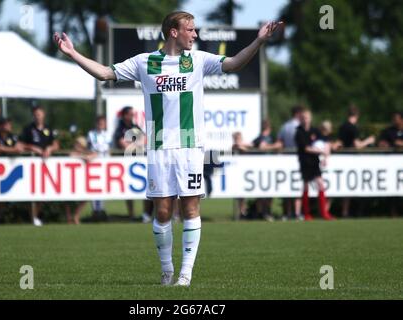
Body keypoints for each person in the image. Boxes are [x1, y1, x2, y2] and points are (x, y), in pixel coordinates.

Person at [54, 11, 283, 286]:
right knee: (162, 211)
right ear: (174, 32)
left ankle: (185, 275)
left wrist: (258, 42)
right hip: (159, 148)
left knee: (190, 208)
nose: (195, 34)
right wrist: (73, 54)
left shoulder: (198, 60)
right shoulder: (144, 62)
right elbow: (105, 73)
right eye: (190, 29)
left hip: (190, 148)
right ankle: (167, 271)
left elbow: (233, 64)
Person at [20, 105, 60, 226]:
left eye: (40, 114)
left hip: (45, 165)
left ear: (43, 115)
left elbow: (56, 144)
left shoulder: (48, 128)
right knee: (31, 192)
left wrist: (49, 148)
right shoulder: (28, 129)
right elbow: (20, 144)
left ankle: (35, 216)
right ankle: (32, 217)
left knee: (42, 193)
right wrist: (32, 147)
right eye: (36, 114)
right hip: (31, 165)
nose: (38, 116)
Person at [295, 109, 334, 221]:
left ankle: (324, 213)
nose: (305, 120)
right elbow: (306, 148)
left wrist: (326, 155)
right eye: (303, 118)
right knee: (306, 185)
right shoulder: (299, 132)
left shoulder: (314, 131)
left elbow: (326, 141)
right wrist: (321, 152)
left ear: (310, 118)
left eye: (307, 118)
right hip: (305, 161)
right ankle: (307, 214)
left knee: (320, 184)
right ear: (300, 119)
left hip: (314, 162)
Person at [338, 105, 375, 217]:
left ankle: (344, 211)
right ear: (357, 116)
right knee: (354, 186)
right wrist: (368, 141)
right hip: (351, 159)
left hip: (343, 158)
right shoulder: (352, 128)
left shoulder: (342, 126)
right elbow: (357, 145)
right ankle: (354, 211)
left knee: (345, 187)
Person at [252, 120, 282, 221]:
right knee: (264, 193)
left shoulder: (264, 137)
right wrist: (274, 146)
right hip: (264, 168)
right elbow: (261, 147)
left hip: (267, 168)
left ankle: (263, 212)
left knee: (266, 193)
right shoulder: (263, 137)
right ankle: (263, 213)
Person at [277, 105, 304, 220]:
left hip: (286, 159)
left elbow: (279, 142)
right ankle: (297, 213)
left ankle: (287, 212)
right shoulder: (300, 127)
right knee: (298, 186)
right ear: (298, 114)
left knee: (287, 187)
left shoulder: (285, 126)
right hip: (299, 157)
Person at [65, 136, 98, 225]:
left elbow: (95, 154)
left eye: (79, 144)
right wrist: (84, 156)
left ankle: (76, 216)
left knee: (85, 198)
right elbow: (71, 155)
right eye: (77, 143)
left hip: (81, 179)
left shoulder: (84, 152)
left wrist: (87, 156)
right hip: (70, 179)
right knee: (67, 199)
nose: (77, 146)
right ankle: (69, 218)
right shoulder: (73, 153)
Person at [87, 115, 111, 221]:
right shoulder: (91, 134)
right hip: (94, 162)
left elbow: (108, 148)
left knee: (103, 186)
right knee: (94, 186)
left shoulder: (107, 134)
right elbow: (92, 147)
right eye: (99, 122)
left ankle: (101, 209)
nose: (101, 125)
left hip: (105, 163)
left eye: (103, 123)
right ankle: (95, 210)